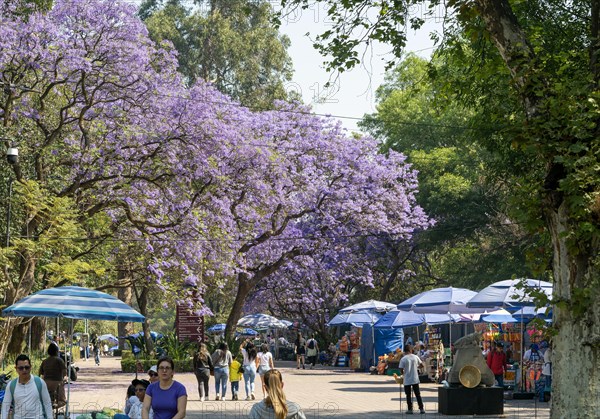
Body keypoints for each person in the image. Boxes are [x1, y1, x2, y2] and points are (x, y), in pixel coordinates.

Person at [1, 354, 53, 419]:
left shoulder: (40, 382)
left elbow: (47, 403)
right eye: (21, 368)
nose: (24, 370)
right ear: (16, 369)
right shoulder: (11, 385)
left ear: (30, 367)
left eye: (27, 367)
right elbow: (5, 406)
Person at [398, 344, 425, 415]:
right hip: (415, 378)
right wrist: (416, 367)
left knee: (408, 395)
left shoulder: (403, 359)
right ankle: (421, 408)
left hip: (407, 379)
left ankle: (410, 409)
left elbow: (401, 369)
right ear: (411, 350)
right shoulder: (416, 357)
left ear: (405, 351)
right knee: (418, 394)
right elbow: (422, 365)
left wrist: (403, 373)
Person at [39, 343, 67, 409]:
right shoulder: (60, 360)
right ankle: (55, 406)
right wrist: (64, 379)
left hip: (46, 383)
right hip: (57, 383)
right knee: (62, 401)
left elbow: (41, 373)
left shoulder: (45, 361)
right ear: (57, 351)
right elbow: (64, 372)